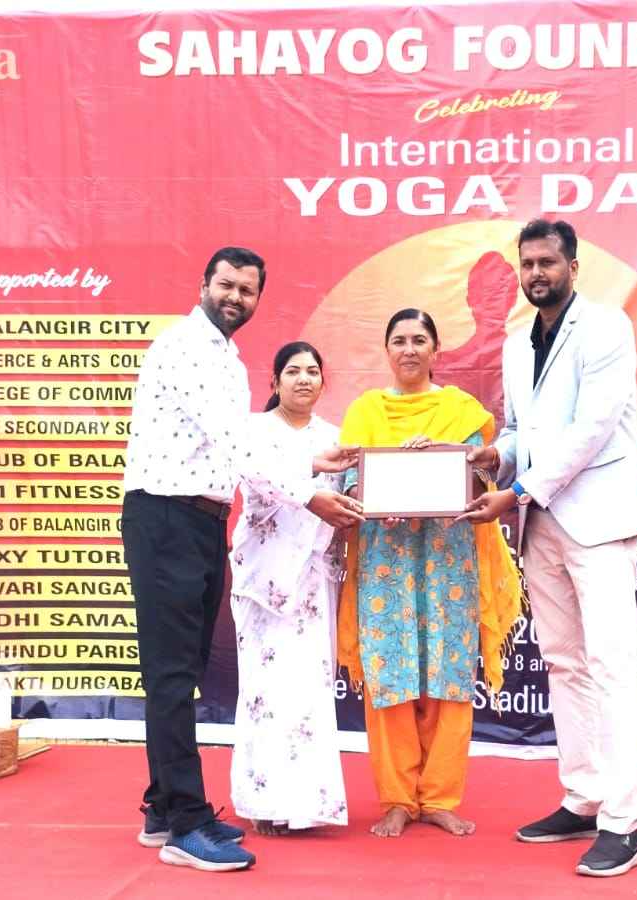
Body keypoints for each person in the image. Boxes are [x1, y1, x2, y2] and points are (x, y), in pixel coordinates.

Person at [122, 247, 362, 873]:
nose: (235, 297)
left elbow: (234, 446)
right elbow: (236, 443)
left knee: (184, 667)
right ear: (204, 284)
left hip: (203, 519)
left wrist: (310, 462)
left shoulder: (226, 356)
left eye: (247, 290)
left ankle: (161, 807)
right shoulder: (184, 347)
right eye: (226, 285)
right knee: (172, 675)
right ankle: (185, 823)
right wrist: (308, 492)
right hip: (165, 516)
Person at [460, 218, 637, 877]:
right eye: (528, 264)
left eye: (547, 262)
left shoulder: (606, 328)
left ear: (573, 267)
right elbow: (523, 430)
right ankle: (584, 796)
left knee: (611, 664)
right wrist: (496, 457)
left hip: (598, 518)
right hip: (542, 522)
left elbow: (591, 430)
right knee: (564, 662)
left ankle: (625, 824)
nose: (536, 273)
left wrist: (517, 491)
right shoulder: (518, 345)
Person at [335, 308, 523, 839]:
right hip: (385, 560)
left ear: (436, 350)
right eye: (399, 340)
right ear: (386, 350)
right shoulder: (365, 411)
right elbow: (351, 483)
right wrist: (374, 497)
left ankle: (440, 797)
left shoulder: (462, 412)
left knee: (448, 675)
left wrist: (450, 458)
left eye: (420, 340)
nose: (409, 349)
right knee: (390, 676)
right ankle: (396, 799)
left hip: (449, 559)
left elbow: (482, 480)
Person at [228, 341, 350, 836]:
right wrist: (313, 470)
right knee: (265, 690)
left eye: (313, 371)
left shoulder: (335, 437)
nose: (304, 379)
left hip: (314, 582)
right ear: (275, 381)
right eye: (293, 371)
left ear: (323, 382)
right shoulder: (253, 431)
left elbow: (347, 498)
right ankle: (262, 802)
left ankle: (305, 806)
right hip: (264, 582)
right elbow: (259, 481)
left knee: (308, 693)